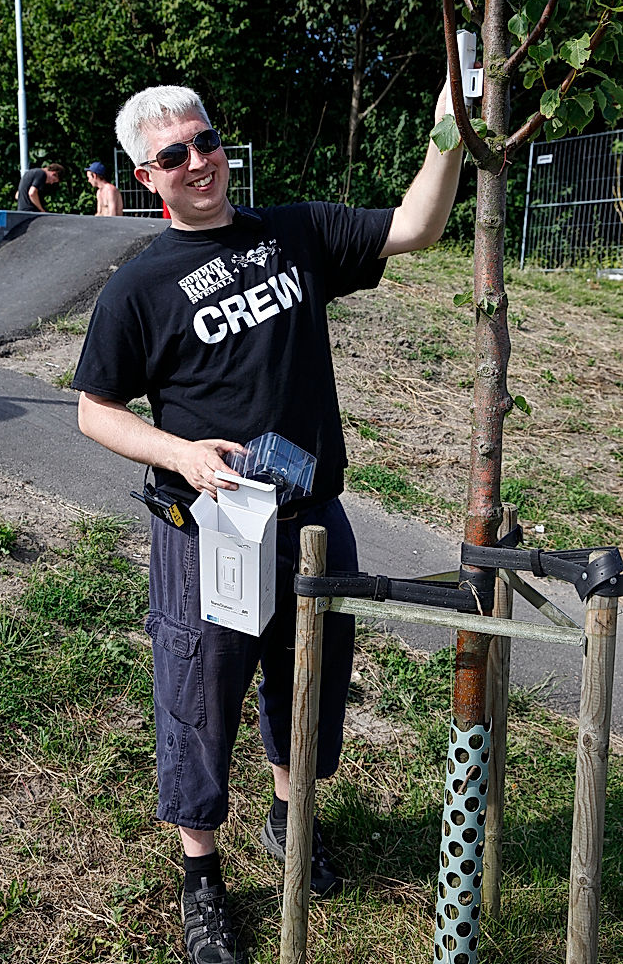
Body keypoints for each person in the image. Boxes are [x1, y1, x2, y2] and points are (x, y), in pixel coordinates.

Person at [72, 84, 462, 964]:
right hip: (207, 526)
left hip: (313, 519)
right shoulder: (139, 283)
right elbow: (93, 410)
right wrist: (179, 453)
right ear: (147, 177)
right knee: (198, 701)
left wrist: (450, 127)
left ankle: (290, 815)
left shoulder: (292, 230)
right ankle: (200, 876)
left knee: (309, 681)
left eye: (204, 140)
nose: (197, 162)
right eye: (173, 156)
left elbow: (415, 228)